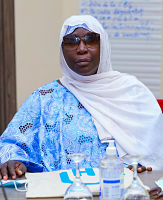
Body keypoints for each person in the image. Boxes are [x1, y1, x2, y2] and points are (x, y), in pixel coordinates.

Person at [0, 15, 163, 182]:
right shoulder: (45, 98)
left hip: (122, 191)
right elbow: (10, 143)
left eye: (91, 40)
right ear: (62, 49)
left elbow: (156, 150)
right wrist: (13, 160)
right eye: (72, 41)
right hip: (62, 193)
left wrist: (139, 167)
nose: (82, 48)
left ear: (103, 45)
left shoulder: (132, 93)